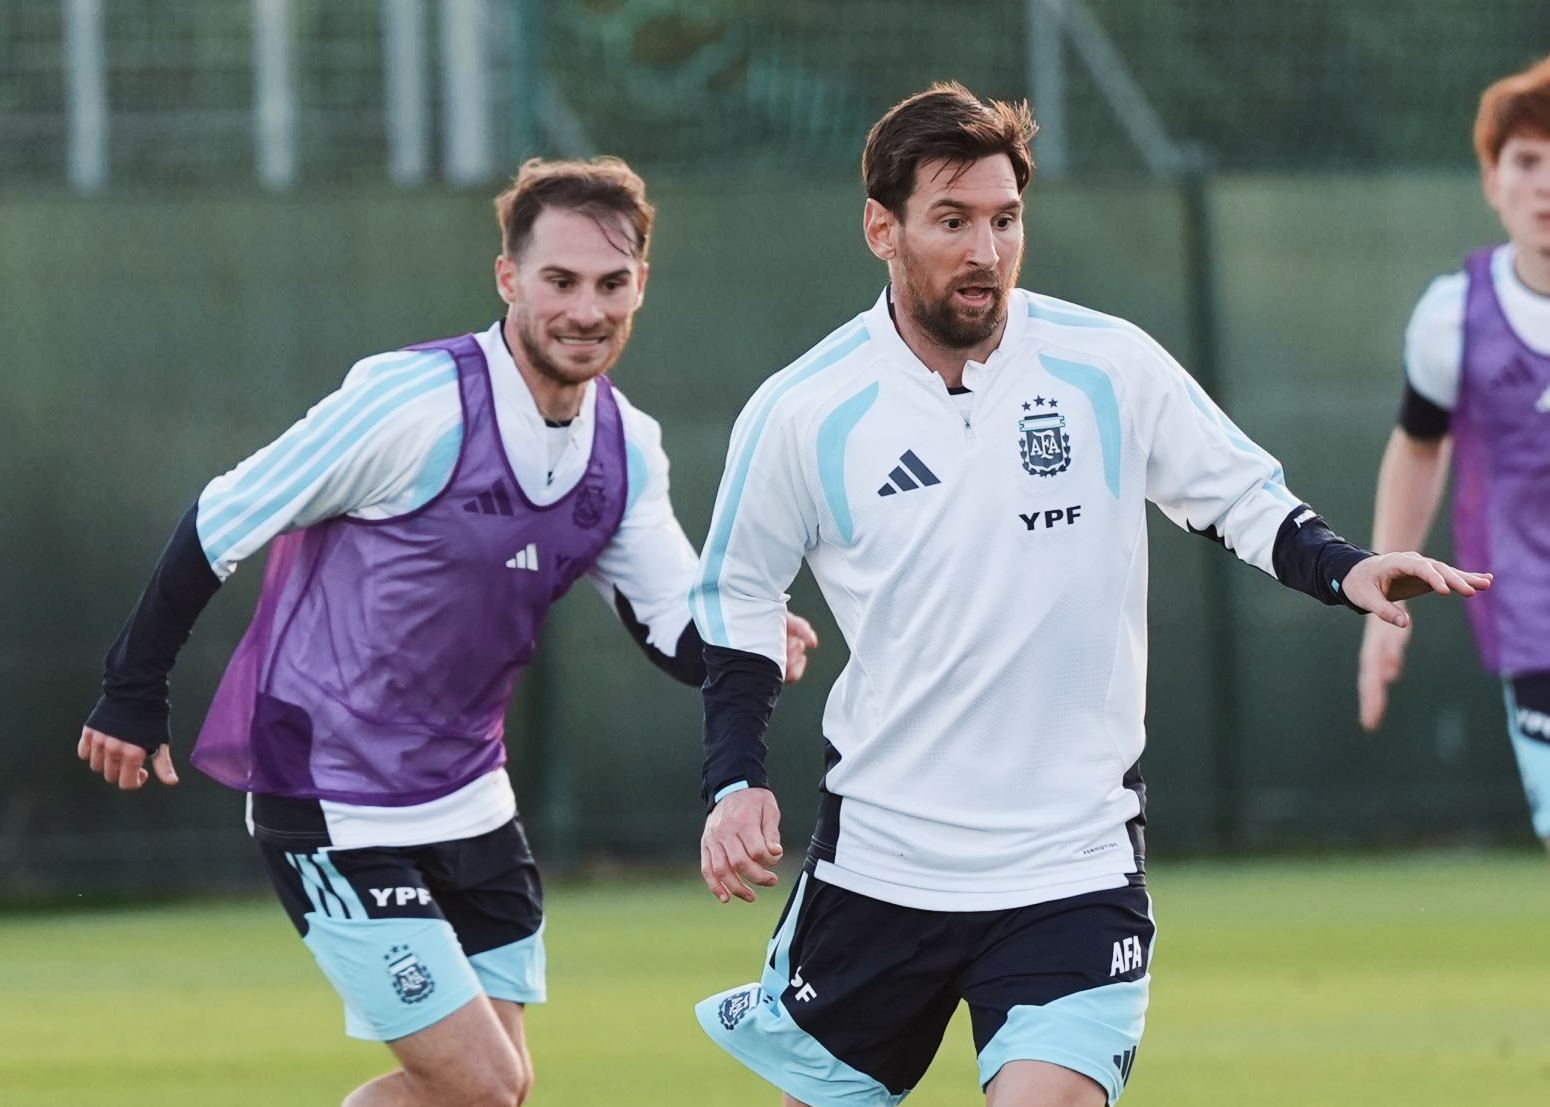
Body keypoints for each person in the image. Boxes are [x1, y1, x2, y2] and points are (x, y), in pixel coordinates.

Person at [688, 82, 1489, 1107]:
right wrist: (732, 780)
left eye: (1004, 219)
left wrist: (1343, 566)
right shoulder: (803, 410)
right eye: (952, 221)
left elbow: (1236, 495)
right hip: (881, 869)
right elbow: (740, 597)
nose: (985, 250)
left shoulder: (1103, 364)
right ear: (879, 229)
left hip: (1069, 862)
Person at [75, 156, 817, 1107]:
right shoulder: (411, 402)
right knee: (480, 1082)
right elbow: (223, 519)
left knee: (489, 1095)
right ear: (508, 278)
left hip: (469, 795)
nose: (586, 309)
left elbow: (668, 621)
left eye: (610, 283)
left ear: (641, 285)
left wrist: (743, 640)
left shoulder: (625, 445)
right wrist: (133, 690)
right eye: (559, 281)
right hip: (331, 791)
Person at [1357, 55, 1550, 852]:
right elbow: (1418, 446)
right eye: (1527, 161)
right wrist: (1384, 595)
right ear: (1491, 180)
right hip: (1537, 620)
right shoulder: (1453, 319)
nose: (1544, 185)